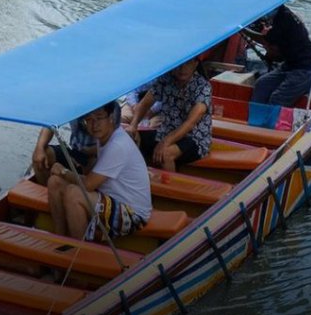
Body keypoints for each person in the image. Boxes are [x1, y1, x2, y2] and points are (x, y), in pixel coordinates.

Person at [46, 102, 152, 241]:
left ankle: (79, 252)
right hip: (110, 198)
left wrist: (63, 171)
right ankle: (59, 238)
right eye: (89, 120)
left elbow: (89, 185)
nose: (94, 125)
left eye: (99, 118)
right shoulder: (103, 138)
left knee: (74, 194)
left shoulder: (118, 145)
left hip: (132, 214)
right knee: (55, 183)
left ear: (111, 118)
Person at [127, 58, 212, 171]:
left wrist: (165, 142)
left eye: (187, 64)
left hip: (195, 138)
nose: (182, 68)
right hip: (166, 132)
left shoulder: (203, 86)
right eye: (179, 64)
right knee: (132, 139)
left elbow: (190, 123)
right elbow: (144, 104)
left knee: (166, 154)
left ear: (195, 64)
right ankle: (142, 175)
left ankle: (168, 184)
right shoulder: (165, 80)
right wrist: (133, 125)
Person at [30, 103, 123, 183]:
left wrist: (91, 152)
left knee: (94, 163)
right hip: (76, 152)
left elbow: (113, 143)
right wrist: (40, 147)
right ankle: (45, 194)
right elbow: (51, 124)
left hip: (99, 155)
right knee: (42, 155)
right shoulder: (72, 103)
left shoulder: (111, 108)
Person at [246, 5, 311, 106]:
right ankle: (255, 117)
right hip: (289, 65)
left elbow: (273, 50)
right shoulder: (282, 14)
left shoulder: (283, 21)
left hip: (305, 69)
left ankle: (270, 121)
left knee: (277, 98)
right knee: (261, 85)